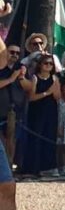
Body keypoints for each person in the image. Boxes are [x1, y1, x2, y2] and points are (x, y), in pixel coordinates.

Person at [18, 54, 60, 180]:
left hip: (50, 112)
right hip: (37, 111)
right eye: (46, 63)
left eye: (50, 64)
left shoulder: (54, 78)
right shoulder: (35, 78)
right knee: (35, 138)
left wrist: (54, 90)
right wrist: (47, 93)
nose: (48, 66)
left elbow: (57, 97)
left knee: (49, 136)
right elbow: (32, 97)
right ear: (40, 65)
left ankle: (47, 167)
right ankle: (32, 168)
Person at [0, 45, 25, 173]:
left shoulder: (20, 69)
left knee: (12, 139)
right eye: (12, 52)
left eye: (17, 53)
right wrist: (11, 79)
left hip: (15, 110)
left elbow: (29, 87)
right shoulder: (1, 69)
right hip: (1, 110)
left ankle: (9, 167)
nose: (14, 55)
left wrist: (22, 77)